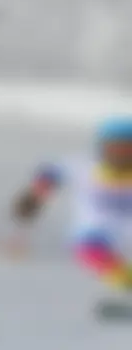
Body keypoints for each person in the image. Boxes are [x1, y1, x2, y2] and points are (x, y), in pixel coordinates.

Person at [14, 115, 132, 290]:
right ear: (103, 146)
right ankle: (126, 284)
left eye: (126, 148)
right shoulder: (85, 166)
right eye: (115, 146)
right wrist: (33, 198)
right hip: (96, 230)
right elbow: (51, 173)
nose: (120, 153)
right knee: (89, 249)